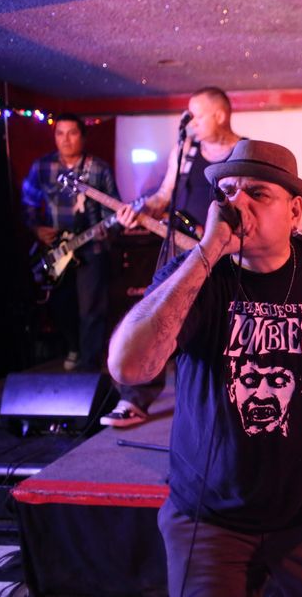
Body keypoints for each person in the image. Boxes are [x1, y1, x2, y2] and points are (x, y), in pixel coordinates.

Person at [107, 139, 302, 596]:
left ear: (294, 211)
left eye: (258, 193)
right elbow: (129, 368)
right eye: (228, 191)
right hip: (209, 515)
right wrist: (207, 252)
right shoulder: (193, 274)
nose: (238, 204)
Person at [103, 86, 242, 426]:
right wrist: (141, 210)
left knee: (220, 328)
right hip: (181, 253)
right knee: (159, 316)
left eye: (197, 115)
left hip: (226, 257)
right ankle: (134, 398)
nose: (191, 122)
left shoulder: (244, 152)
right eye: (188, 115)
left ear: (220, 115)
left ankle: (220, 404)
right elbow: (164, 195)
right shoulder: (185, 149)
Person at [22, 112, 118, 372]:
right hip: (56, 249)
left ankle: (89, 367)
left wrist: (108, 230)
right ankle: (74, 347)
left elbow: (114, 210)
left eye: (72, 133)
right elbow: (28, 202)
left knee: (92, 310)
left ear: (83, 137)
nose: (65, 139)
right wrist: (36, 229)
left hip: (92, 248)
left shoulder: (98, 168)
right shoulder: (42, 167)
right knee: (60, 305)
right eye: (60, 133)